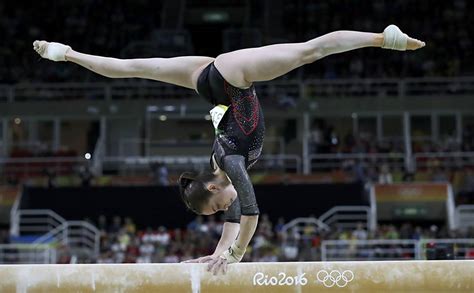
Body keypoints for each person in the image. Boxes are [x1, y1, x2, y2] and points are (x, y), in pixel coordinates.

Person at [33, 24, 425, 274]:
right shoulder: (219, 170)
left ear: (214, 188)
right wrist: (218, 252)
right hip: (206, 79)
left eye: (218, 207)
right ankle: (64, 52)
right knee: (131, 67)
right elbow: (236, 213)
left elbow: (250, 212)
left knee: (310, 50)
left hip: (232, 76)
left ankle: (382, 38)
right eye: (218, 212)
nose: (225, 210)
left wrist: (234, 255)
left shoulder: (231, 163)